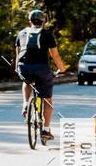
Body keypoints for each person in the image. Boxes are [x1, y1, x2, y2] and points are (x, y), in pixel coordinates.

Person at [16, 9, 67, 142]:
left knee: (27, 82)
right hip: (41, 69)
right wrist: (62, 69)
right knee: (48, 100)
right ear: (43, 22)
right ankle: (46, 129)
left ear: (30, 21)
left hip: (24, 68)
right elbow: (54, 55)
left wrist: (18, 69)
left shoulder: (21, 33)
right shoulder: (47, 34)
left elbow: (18, 54)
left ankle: (26, 104)